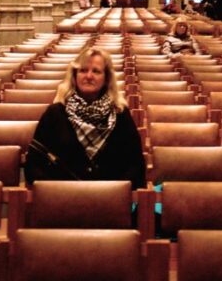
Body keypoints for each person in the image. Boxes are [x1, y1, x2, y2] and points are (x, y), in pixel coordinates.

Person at [24, 45, 146, 188]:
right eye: (83, 70)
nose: (88, 76)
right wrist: (54, 192)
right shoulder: (55, 113)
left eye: (96, 71)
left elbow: (135, 164)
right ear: (74, 76)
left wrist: (116, 194)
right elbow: (34, 164)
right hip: (61, 201)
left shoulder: (120, 114)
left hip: (111, 201)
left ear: (106, 78)